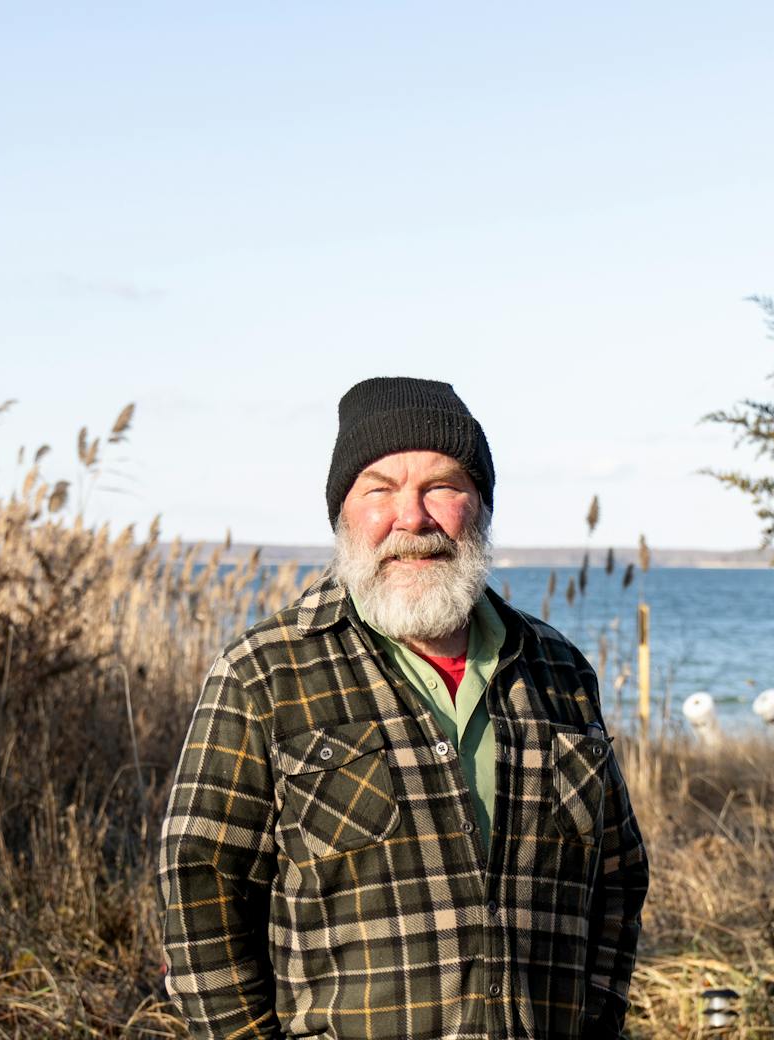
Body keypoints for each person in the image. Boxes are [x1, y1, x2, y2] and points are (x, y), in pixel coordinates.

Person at [158, 376, 647, 1040]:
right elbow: (199, 892)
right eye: (380, 490)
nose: (412, 519)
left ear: (480, 506)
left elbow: (617, 874)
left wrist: (598, 1018)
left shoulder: (558, 671)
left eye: (442, 488)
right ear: (343, 514)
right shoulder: (266, 672)